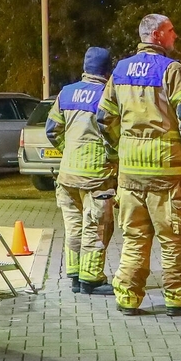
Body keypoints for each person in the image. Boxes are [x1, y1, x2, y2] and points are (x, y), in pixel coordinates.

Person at [97, 14, 181, 316]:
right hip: (168, 174)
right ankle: (178, 299)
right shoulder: (172, 70)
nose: (175, 36)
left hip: (131, 174)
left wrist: (118, 151)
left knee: (134, 238)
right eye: (171, 31)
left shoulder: (120, 70)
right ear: (156, 35)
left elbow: (103, 118)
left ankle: (127, 298)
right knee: (174, 240)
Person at [46, 47, 117, 295]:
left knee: (74, 227)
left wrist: (68, 151)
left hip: (67, 175)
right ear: (107, 71)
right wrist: (114, 159)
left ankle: (75, 275)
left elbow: (52, 130)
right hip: (96, 176)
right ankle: (91, 279)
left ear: (85, 68)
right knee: (96, 227)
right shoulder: (107, 95)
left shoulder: (66, 93)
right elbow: (112, 135)